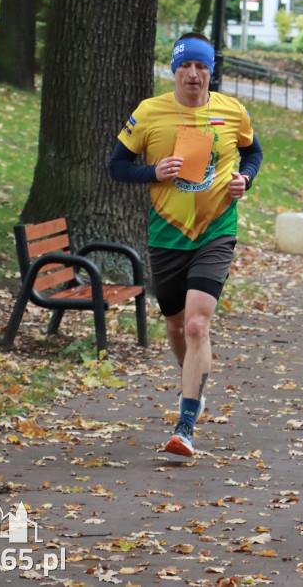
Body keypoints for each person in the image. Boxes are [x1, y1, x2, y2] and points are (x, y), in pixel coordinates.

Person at [108, 32, 263, 457]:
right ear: (174, 69)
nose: (193, 75)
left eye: (202, 67)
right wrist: (154, 172)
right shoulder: (150, 113)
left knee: (197, 325)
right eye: (185, 67)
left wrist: (244, 179)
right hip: (167, 232)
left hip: (216, 229)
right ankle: (194, 379)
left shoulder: (232, 111)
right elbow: (116, 167)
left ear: (211, 71)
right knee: (176, 327)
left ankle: (186, 424)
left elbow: (253, 154)